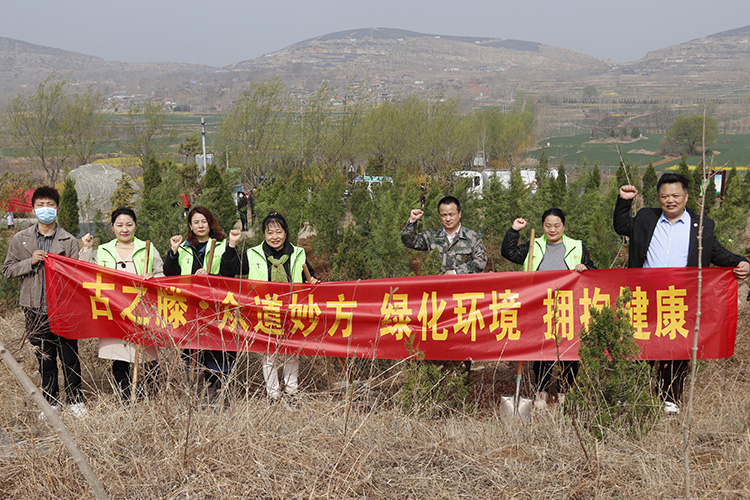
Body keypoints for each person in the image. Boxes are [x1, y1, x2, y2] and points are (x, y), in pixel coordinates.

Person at [614, 172, 750, 414]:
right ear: (659, 198)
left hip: (680, 298)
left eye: (676, 195)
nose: (670, 200)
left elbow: (717, 253)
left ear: (686, 197)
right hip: (644, 295)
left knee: (675, 346)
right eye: (664, 196)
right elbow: (621, 226)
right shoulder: (647, 217)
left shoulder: (702, 226)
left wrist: (741, 262)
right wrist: (624, 201)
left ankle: (669, 398)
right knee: (637, 343)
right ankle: (631, 394)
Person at [2, 186, 87, 419]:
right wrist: (29, 261)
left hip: (63, 308)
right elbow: (7, 270)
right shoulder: (21, 239)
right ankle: (51, 401)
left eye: (50, 205)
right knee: (44, 356)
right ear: (33, 210)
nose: (45, 210)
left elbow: (76, 275)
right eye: (41, 205)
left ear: (57, 209)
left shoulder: (68, 240)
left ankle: (76, 399)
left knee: (69, 354)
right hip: (35, 308)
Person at [502, 208, 596, 407]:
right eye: (548, 225)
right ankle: (541, 391)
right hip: (539, 306)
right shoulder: (534, 244)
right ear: (542, 226)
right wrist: (514, 231)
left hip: (569, 307)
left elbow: (594, 271)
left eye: (557, 225)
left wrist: (585, 268)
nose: (552, 230)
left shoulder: (577, 246)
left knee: (569, 351)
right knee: (542, 351)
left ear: (564, 226)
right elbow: (508, 252)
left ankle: (564, 391)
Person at [223, 211, 320, 402]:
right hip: (263, 311)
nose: (274, 237)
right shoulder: (253, 254)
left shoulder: (298, 253)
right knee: (268, 354)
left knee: (292, 353)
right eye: (270, 233)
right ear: (264, 235)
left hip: (292, 310)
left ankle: (292, 392)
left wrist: (314, 280)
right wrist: (232, 244)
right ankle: (273, 394)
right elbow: (229, 270)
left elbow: (309, 276)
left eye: (278, 232)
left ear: (285, 233)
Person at [80, 208, 163, 401]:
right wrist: (85, 249)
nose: (124, 229)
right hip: (114, 310)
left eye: (129, 224)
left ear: (135, 225)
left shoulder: (147, 248)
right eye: (119, 225)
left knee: (148, 356)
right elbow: (84, 273)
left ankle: (152, 396)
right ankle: (126, 398)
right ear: (112, 228)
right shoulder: (103, 250)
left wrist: (153, 278)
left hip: (143, 309)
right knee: (120, 356)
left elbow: (161, 274)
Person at [402, 195, 487, 373]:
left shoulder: (471, 237)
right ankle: (434, 378)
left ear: (459, 214)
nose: (448, 218)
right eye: (443, 215)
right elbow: (409, 241)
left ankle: (460, 379)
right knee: (435, 339)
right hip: (436, 300)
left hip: (462, 301)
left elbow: (481, 262)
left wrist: (457, 273)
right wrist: (412, 221)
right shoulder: (433, 236)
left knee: (460, 340)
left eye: (451, 214)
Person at [164, 206, 240, 396]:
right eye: (196, 222)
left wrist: (211, 275)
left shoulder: (222, 245)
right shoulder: (184, 248)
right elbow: (170, 274)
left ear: (210, 222)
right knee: (192, 351)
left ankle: (219, 393)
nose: (200, 225)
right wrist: (173, 252)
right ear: (190, 225)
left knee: (218, 348)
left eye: (203, 221)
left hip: (216, 308)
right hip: (190, 309)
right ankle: (196, 393)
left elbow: (229, 273)